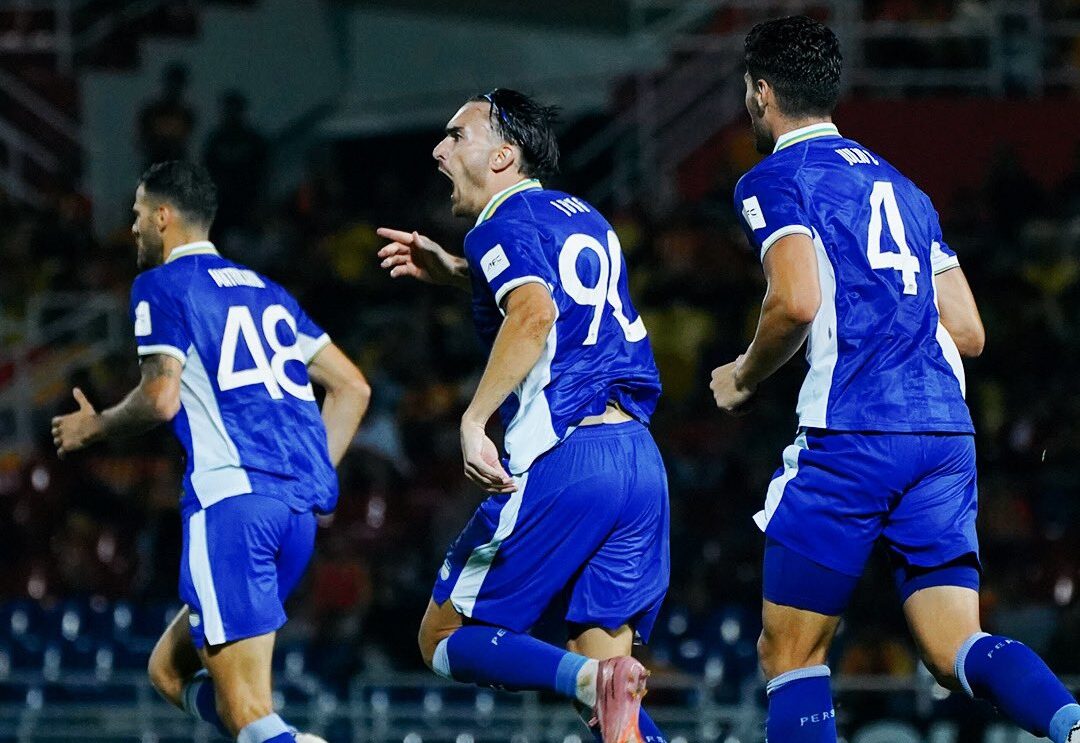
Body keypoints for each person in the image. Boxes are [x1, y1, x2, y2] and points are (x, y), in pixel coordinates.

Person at [709, 16, 1080, 743]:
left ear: (761, 92)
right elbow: (968, 330)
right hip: (943, 434)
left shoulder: (775, 178)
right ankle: (1070, 723)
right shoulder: (905, 188)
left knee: (790, 653)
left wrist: (745, 377)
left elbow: (795, 300)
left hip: (853, 429)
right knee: (954, 646)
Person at [377, 88, 669, 743]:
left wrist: (474, 419)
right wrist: (458, 270)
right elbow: (555, 290)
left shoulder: (498, 224)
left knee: (442, 637)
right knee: (610, 698)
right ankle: (599, 685)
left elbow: (535, 311)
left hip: (567, 455)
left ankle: (588, 680)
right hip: (638, 462)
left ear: (503, 156)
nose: (439, 149)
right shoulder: (583, 215)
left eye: (457, 136)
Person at [51, 161, 370, 743]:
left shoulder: (162, 285)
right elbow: (352, 388)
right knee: (168, 672)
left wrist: (96, 428)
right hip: (293, 519)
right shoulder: (267, 292)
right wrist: (305, 477)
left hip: (232, 507)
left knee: (248, 710)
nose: (132, 227)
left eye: (137, 214)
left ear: (163, 217)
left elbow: (161, 398)